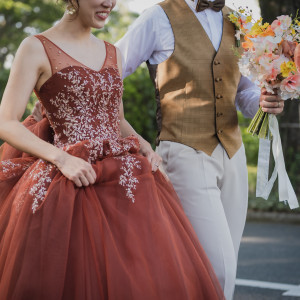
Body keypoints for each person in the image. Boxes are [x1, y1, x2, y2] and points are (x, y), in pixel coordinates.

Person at [0, 0, 225, 299]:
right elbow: (6, 122)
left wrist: (144, 145)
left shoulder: (113, 52)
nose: (110, 2)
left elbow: (115, 119)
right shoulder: (36, 47)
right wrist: (61, 158)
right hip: (68, 181)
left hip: (127, 180)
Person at [114, 0, 285, 299]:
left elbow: (243, 89)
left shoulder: (239, 21)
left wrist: (262, 100)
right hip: (184, 152)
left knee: (226, 263)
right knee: (217, 268)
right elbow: (110, 70)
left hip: (233, 154)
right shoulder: (158, 17)